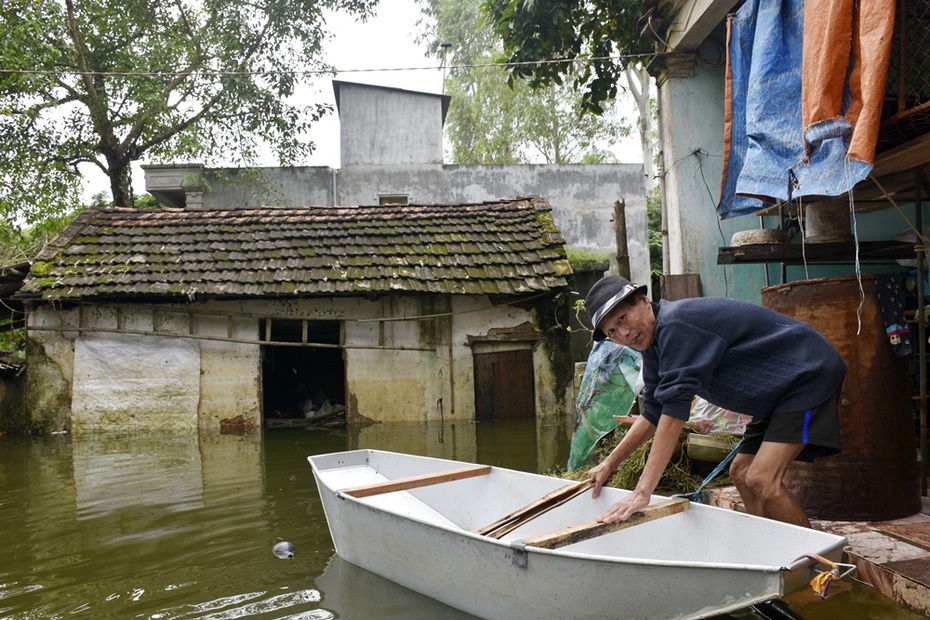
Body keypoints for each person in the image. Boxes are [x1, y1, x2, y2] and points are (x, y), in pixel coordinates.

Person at [584, 275, 847, 527]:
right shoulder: (652, 343)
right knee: (742, 473)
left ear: (643, 300)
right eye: (612, 331)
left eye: (623, 318)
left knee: (763, 479)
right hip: (776, 396)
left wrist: (642, 492)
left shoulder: (676, 324)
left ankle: (820, 564)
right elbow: (653, 410)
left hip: (806, 375)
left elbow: (675, 411)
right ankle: (770, 549)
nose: (625, 334)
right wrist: (609, 463)